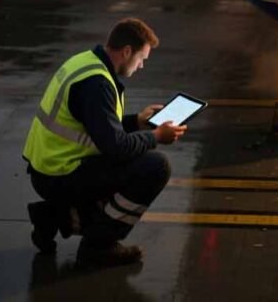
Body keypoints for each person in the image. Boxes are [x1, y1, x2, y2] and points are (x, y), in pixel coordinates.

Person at [23, 17, 187, 266]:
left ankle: (54, 216)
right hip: (60, 173)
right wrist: (155, 137)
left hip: (48, 167)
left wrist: (137, 123)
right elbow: (116, 148)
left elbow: (98, 127)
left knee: (124, 166)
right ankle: (98, 246)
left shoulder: (86, 62)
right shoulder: (97, 84)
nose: (141, 66)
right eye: (142, 58)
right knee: (154, 167)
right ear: (127, 51)